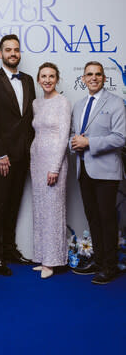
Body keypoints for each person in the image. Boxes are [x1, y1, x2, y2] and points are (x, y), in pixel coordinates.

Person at [0, 34, 36, 276]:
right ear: (0, 53)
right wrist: (0, 154)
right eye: (8, 50)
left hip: (23, 154)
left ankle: (9, 248)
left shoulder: (29, 80)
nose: (13, 53)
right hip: (2, 156)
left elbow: (29, 119)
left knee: (14, 203)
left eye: (16, 50)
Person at [70, 61, 126, 284]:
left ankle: (110, 267)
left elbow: (120, 138)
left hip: (106, 172)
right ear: (83, 78)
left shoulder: (115, 103)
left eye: (98, 74)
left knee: (107, 219)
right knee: (93, 218)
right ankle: (99, 261)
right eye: (89, 74)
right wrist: (73, 143)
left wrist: (88, 142)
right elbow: (75, 134)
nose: (93, 78)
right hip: (83, 170)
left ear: (104, 78)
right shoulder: (79, 105)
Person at [30, 63, 71, 279]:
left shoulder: (63, 102)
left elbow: (64, 137)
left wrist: (55, 167)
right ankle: (43, 257)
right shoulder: (36, 103)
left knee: (53, 209)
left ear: (57, 79)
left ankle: (53, 260)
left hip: (54, 161)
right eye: (43, 76)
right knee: (40, 208)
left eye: (51, 76)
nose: (47, 80)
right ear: (38, 80)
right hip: (37, 160)